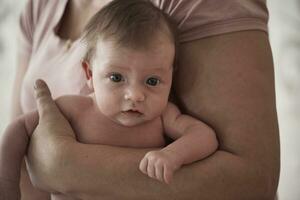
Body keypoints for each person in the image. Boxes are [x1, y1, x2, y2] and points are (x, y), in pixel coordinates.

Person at [8, 0, 280, 199]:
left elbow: (211, 144)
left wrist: (172, 155)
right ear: (89, 74)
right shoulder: (73, 106)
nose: (135, 95)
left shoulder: (163, 115)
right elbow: (16, 131)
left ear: (171, 76)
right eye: (116, 78)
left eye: (152, 82)